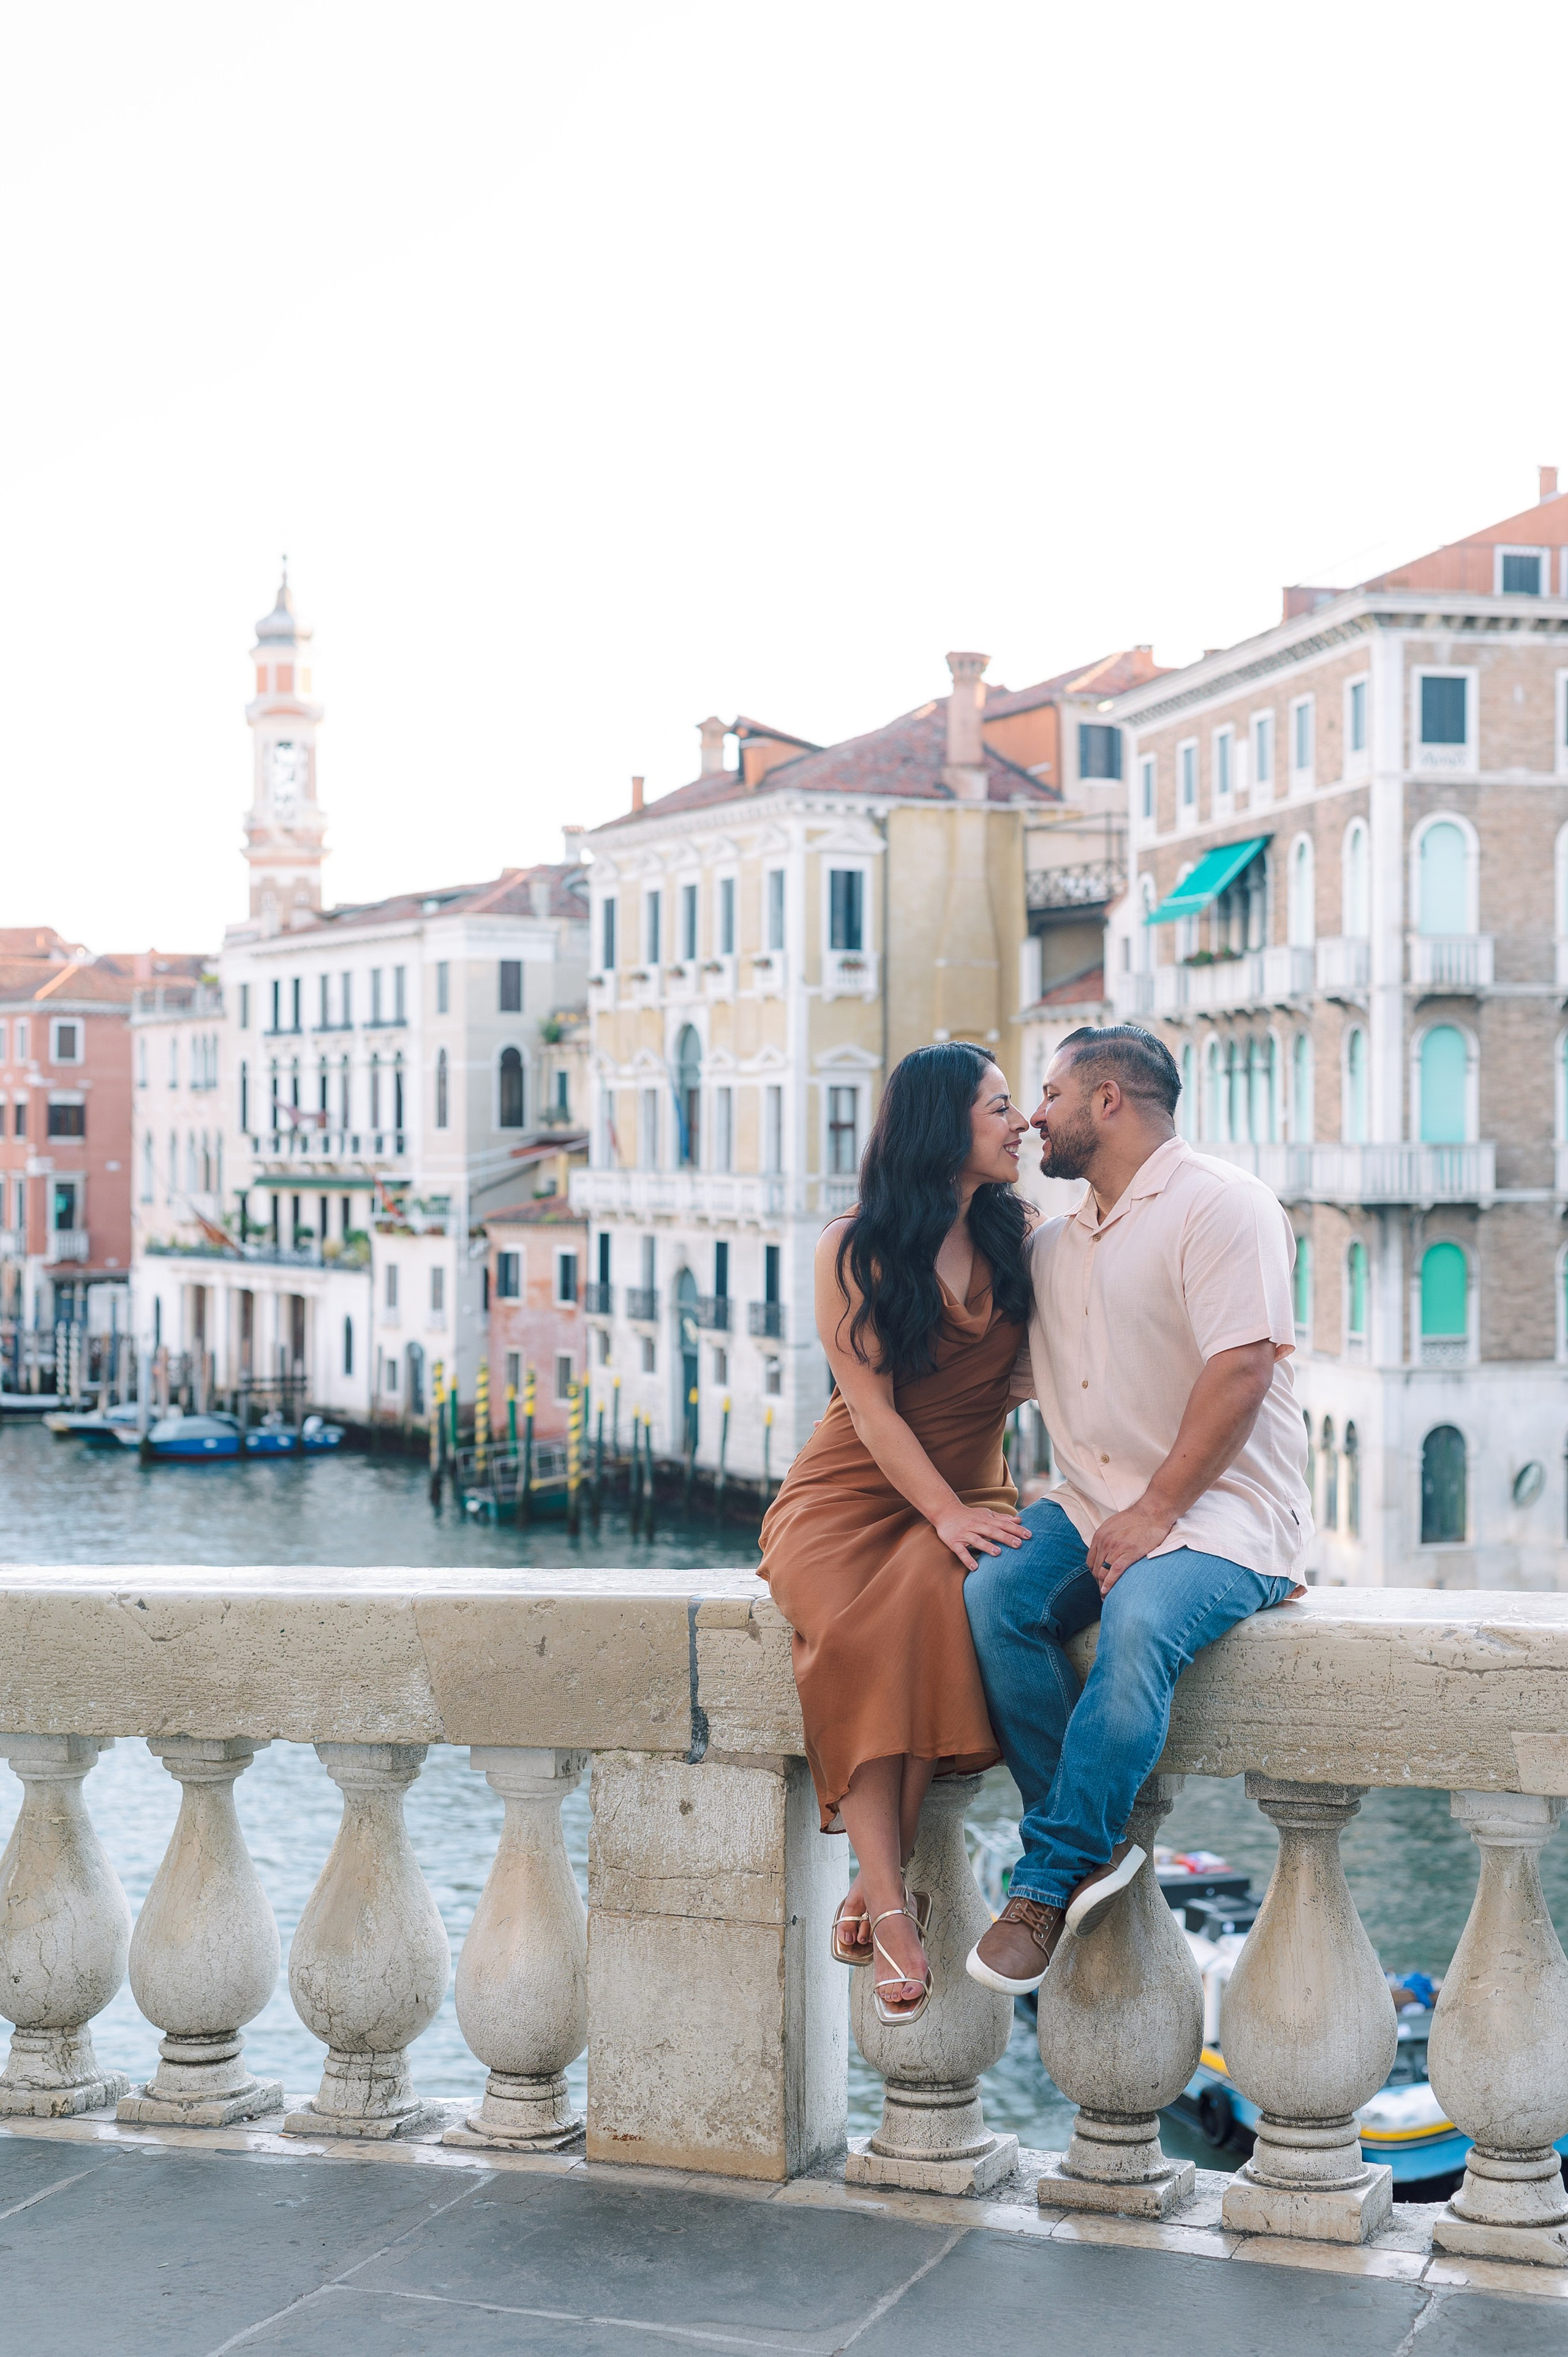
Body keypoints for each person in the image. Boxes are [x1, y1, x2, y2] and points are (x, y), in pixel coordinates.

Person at [964, 1023, 1311, 1996]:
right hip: (1091, 1504)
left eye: (1052, 1096)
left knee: (1141, 1617)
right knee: (994, 1595)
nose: (1036, 1117)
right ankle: (1089, 1840)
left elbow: (1242, 1367)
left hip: (1230, 1518)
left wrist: (1158, 1511)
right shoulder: (1054, 1246)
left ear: (1107, 1101)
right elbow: (1002, 1387)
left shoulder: (1223, 1204)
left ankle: (1042, 1883)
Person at [759, 1042, 1036, 2024]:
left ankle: (875, 1894)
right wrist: (949, 1514)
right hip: (846, 1500)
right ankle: (890, 1901)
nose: (1022, 1123)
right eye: (1001, 1107)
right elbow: (871, 1414)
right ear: (941, 1127)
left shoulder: (1020, 1235)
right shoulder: (854, 1247)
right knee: (879, 1618)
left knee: (926, 1596)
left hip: (972, 1494)